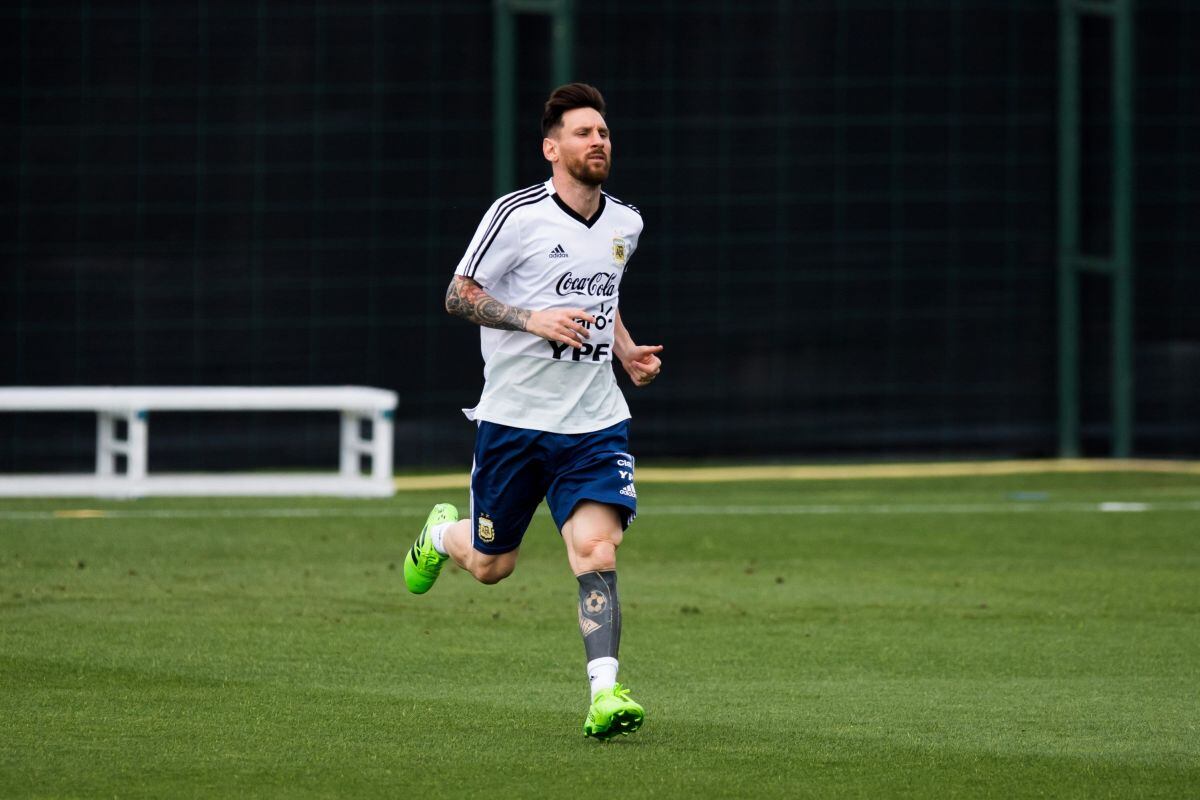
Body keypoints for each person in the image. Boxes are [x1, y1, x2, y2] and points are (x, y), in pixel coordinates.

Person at [403, 83, 663, 740]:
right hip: (515, 422)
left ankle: (605, 694)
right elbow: (459, 295)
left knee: (597, 550)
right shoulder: (516, 215)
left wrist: (627, 352)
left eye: (603, 132)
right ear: (551, 149)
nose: (597, 141)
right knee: (493, 566)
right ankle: (440, 536)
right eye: (582, 132)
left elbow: (604, 297)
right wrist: (530, 319)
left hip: (595, 421)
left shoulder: (625, 223)